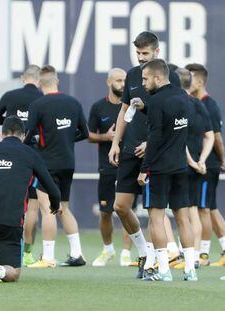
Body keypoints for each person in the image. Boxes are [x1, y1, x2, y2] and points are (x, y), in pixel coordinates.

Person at [108, 31, 181, 278]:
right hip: (129, 149)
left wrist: (150, 144)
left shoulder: (170, 77)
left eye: (145, 53)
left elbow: (172, 120)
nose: (140, 58)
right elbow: (124, 111)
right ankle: (144, 252)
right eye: (137, 53)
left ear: (156, 52)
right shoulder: (131, 75)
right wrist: (116, 142)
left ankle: (163, 260)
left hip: (156, 153)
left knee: (155, 213)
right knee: (120, 206)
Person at [0, 116, 61, 284]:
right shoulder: (30, 154)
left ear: (2, 134)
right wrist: (55, 205)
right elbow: (53, 190)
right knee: (13, 274)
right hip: (10, 221)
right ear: (23, 136)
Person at [137, 59, 196, 281]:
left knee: (156, 218)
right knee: (183, 218)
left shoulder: (157, 100)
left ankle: (163, 271)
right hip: (180, 166)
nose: (143, 83)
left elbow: (155, 138)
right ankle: (190, 270)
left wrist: (144, 169)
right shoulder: (183, 97)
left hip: (159, 169)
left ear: (158, 77)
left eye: (145, 78)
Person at [25, 65, 89, 267]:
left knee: (48, 210)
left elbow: (28, 135)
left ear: (40, 84)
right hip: (68, 163)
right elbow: (85, 133)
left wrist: (35, 142)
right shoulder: (74, 102)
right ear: (57, 81)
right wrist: (66, 139)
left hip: (47, 164)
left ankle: (48, 257)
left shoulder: (38, 104)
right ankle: (77, 254)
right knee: (63, 208)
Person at [0, 64, 43, 266]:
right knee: (33, 208)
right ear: (38, 79)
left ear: (22, 78)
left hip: (9, 154)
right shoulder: (42, 98)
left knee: (9, 202)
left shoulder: (10, 95)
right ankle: (27, 253)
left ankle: (6, 250)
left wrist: (13, 122)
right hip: (33, 155)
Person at [88, 68, 134, 267]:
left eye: (125, 80)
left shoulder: (132, 107)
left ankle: (126, 253)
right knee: (106, 212)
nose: (122, 84)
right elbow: (88, 135)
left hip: (129, 166)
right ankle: (108, 250)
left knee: (126, 209)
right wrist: (106, 137)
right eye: (118, 80)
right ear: (109, 82)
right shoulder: (98, 107)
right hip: (107, 167)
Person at [171, 68, 214, 270]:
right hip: (197, 165)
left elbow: (181, 137)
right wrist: (202, 160)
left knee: (185, 214)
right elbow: (209, 135)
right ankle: (194, 255)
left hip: (182, 165)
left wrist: (191, 161)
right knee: (194, 211)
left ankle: (187, 256)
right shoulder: (199, 104)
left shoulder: (180, 104)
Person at [185, 63, 225, 267]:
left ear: (199, 81)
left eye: (190, 78)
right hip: (199, 163)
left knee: (203, 209)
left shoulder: (208, 104)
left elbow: (215, 136)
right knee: (211, 208)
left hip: (207, 164)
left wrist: (223, 159)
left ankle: (203, 254)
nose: (187, 82)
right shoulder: (194, 103)